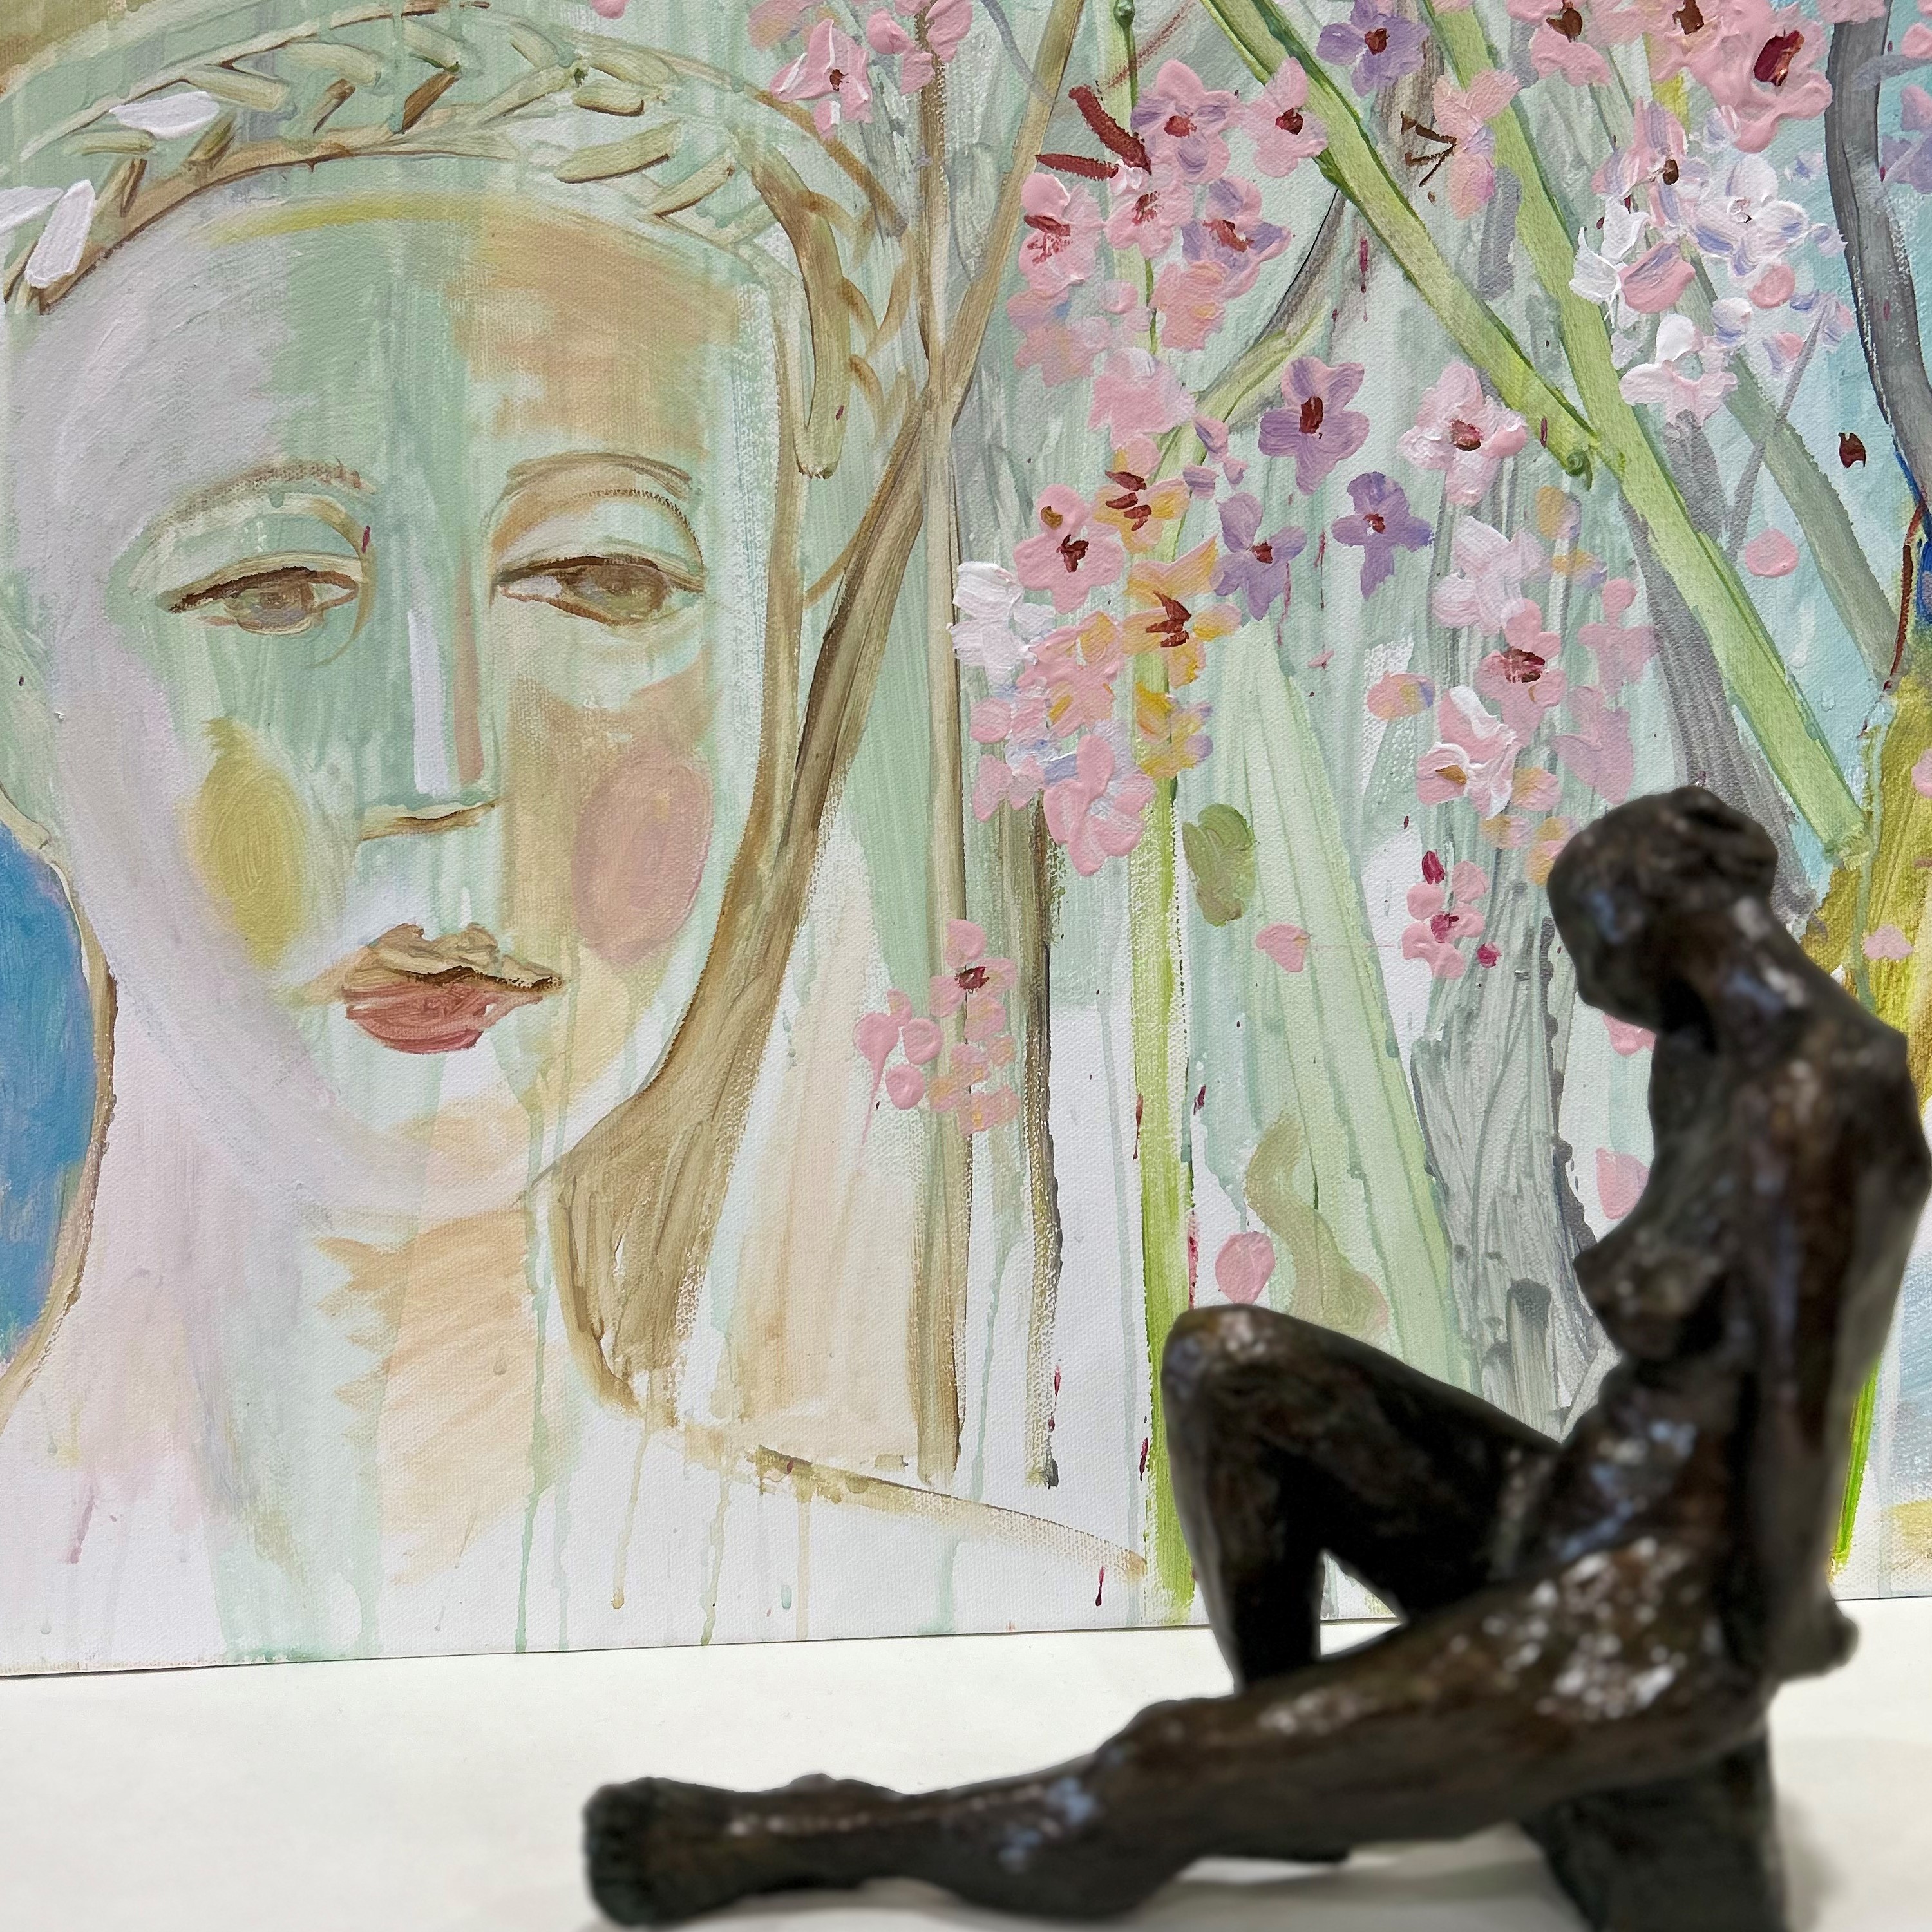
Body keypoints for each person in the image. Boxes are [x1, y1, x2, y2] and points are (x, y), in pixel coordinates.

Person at [0, 1, 1097, 1668]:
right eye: (272, 587)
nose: (445, 764)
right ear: (23, 695)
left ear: (769, 661)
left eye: (601, 579)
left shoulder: (1001, 1632)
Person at [586, 788, 1931, 1932]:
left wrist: (1750, 1644)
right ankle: (1303, 1760)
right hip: (1564, 1510)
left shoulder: (1833, 1093)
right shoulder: (1704, 1058)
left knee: (1165, 1761)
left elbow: (1806, 1406)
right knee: (1228, 1361)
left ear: (1647, 909)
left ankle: (824, 1829)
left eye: (1587, 941)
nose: (1585, 980)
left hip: (1654, 1610)